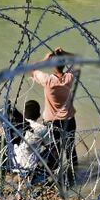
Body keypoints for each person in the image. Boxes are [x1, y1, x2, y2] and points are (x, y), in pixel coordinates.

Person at [30, 47, 77, 186]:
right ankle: (74, 176)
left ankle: (53, 179)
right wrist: (65, 53)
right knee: (70, 150)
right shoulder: (69, 78)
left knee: (54, 152)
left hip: (52, 123)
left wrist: (46, 58)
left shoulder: (48, 80)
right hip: (69, 120)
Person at [13, 100, 52, 179]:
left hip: (14, 166)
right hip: (29, 170)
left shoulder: (16, 125)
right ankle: (49, 177)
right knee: (52, 151)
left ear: (23, 113)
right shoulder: (41, 129)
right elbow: (51, 148)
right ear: (39, 115)